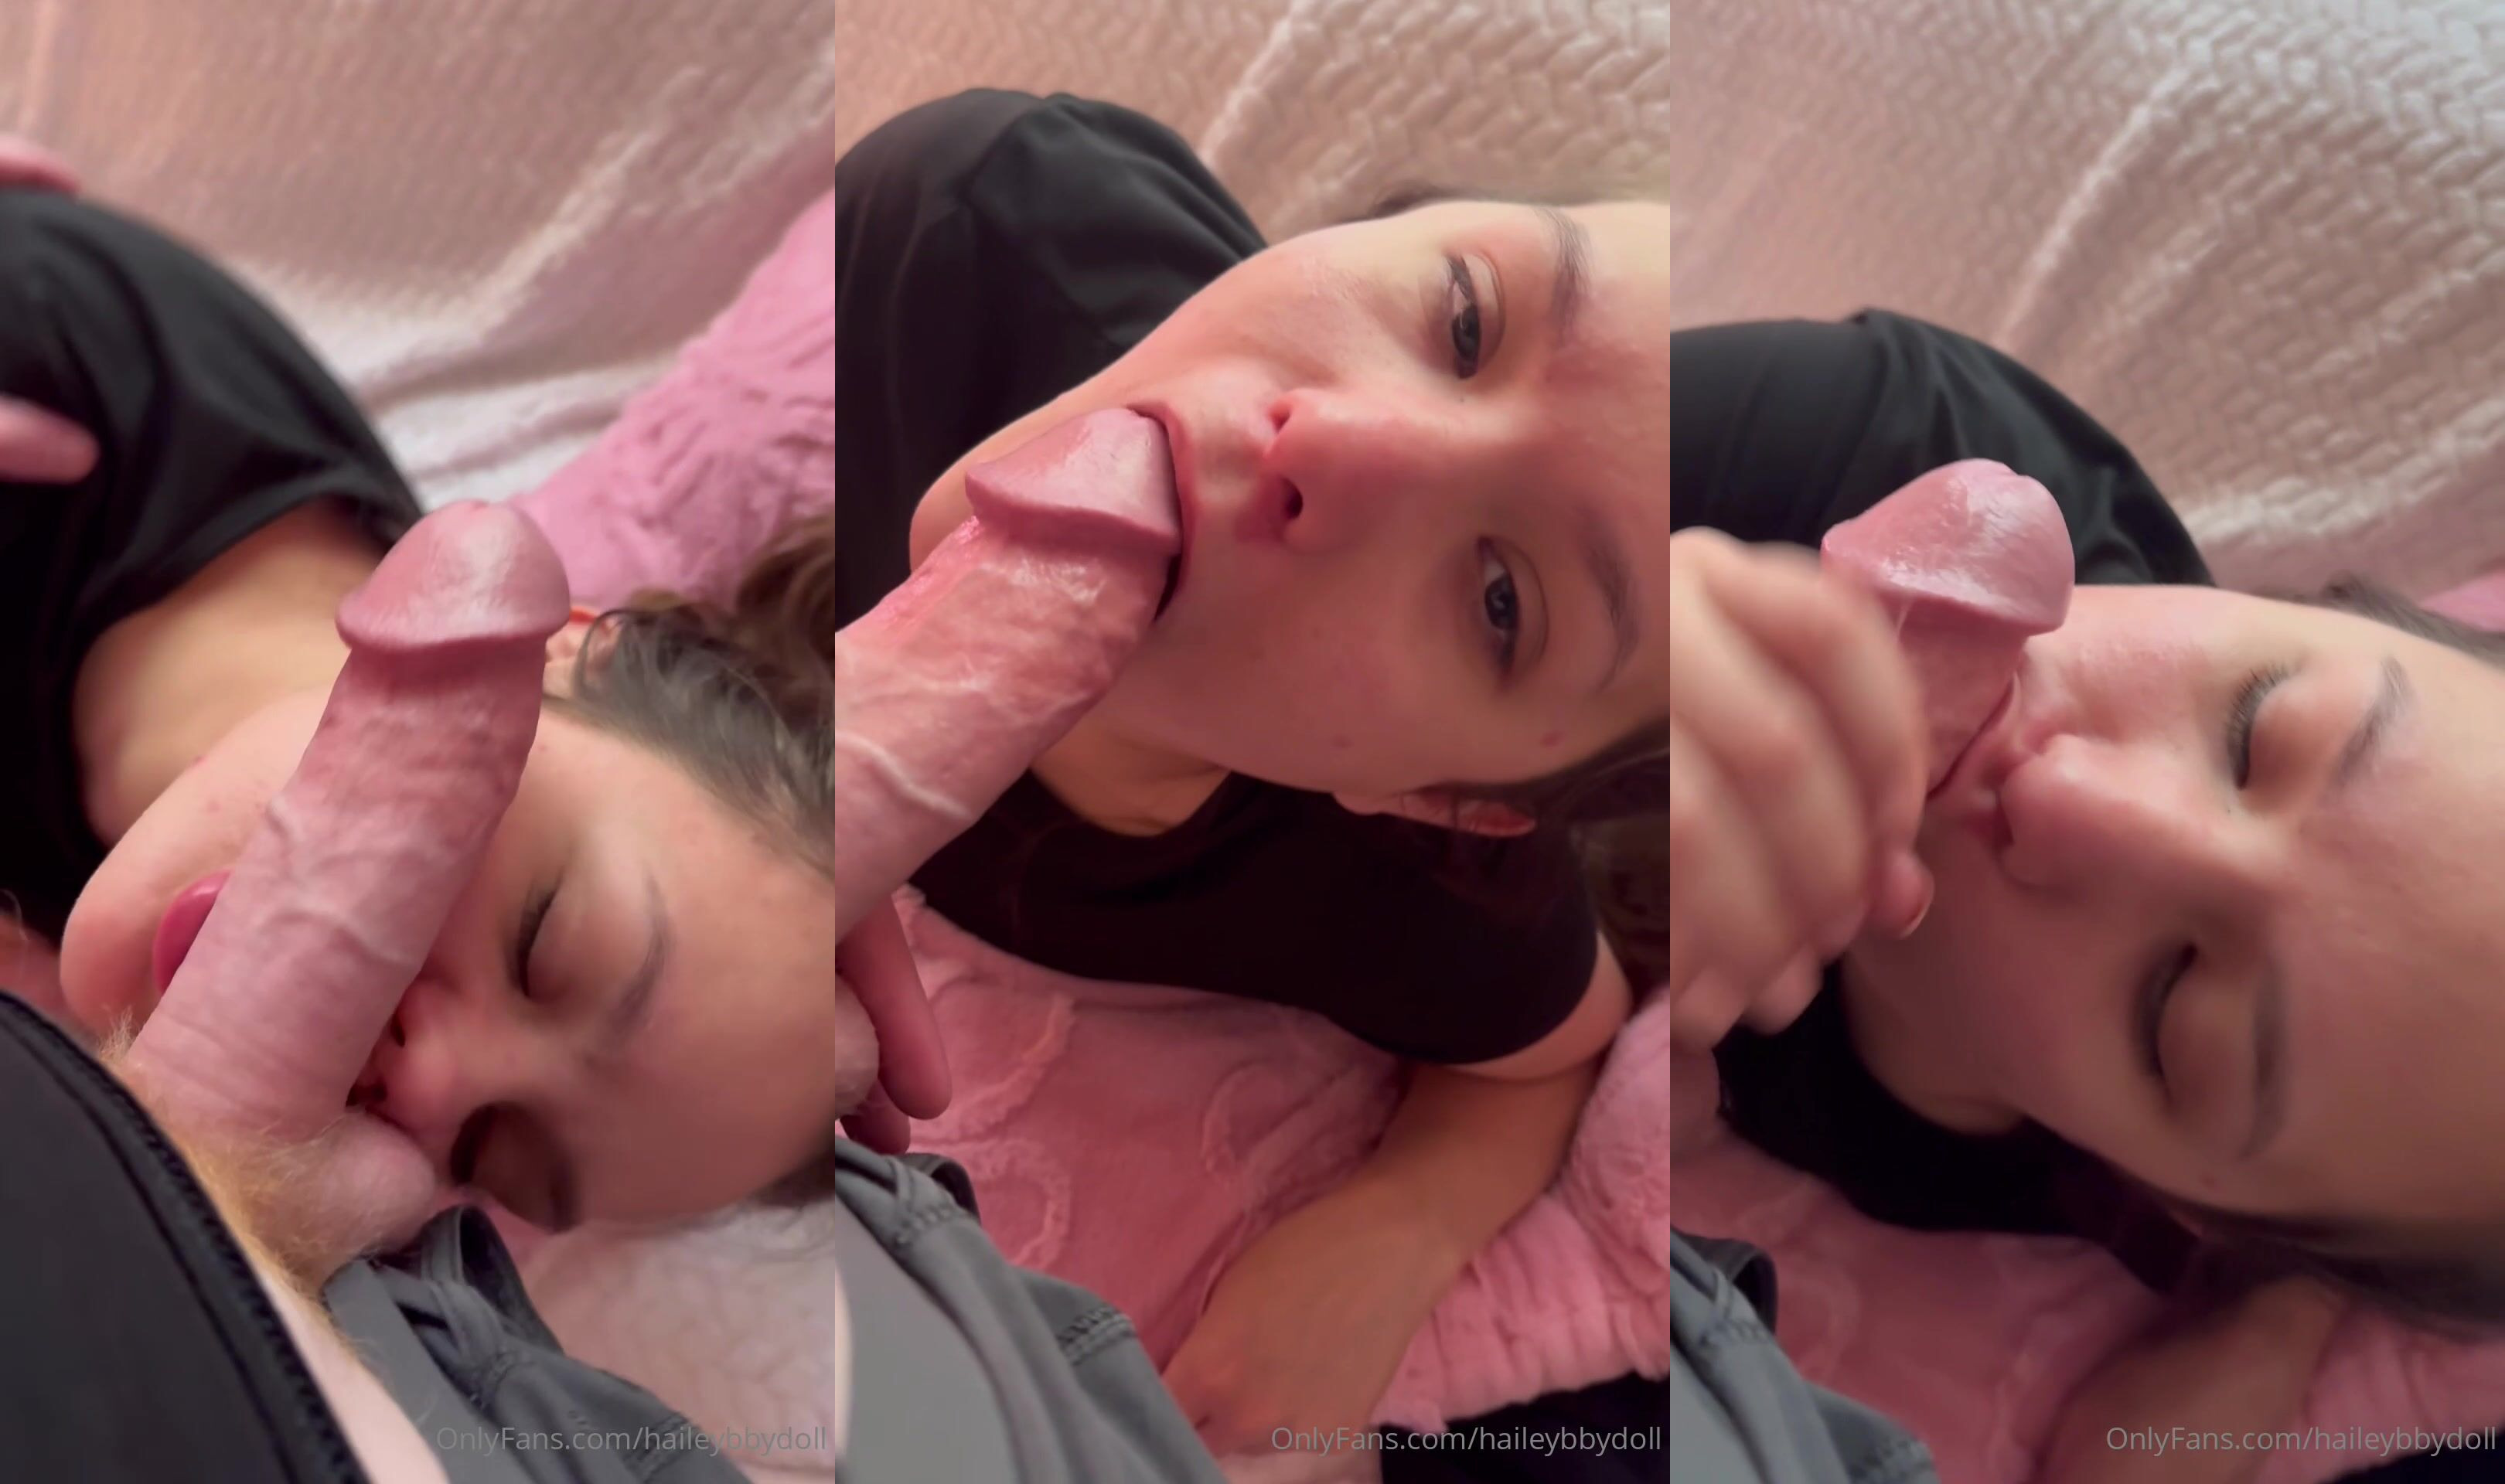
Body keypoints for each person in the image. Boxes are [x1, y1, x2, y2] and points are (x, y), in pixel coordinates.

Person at [0, 144, 1231, 1484]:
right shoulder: (91, 359)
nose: (432, 1084)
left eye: (491, 1151)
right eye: (542, 940)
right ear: (561, 648)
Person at [820, 88, 1704, 1470]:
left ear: (1437, 794)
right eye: (1467, 322)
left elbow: (1549, 1052)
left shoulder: (1412, 881)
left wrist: (1393, 1235)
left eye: (1499, 603)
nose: (1333, 441)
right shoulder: (965, 228)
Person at [1667, 316, 2505, 1484]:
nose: (2059, 796)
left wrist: (2288, 1306)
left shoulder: (2067, 1196)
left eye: (2173, 1011)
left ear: (2185, 1202)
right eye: (2256, 728)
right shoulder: (1857, 445)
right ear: (2302, 607)